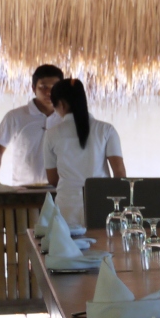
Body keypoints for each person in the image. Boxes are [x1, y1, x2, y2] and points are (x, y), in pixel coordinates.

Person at [43, 79, 126, 227]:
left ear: (61, 104)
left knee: (67, 242)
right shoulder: (106, 130)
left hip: (67, 207)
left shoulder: (51, 135)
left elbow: (53, 178)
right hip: (101, 204)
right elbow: (119, 173)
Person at [0, 64, 64, 185]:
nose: (49, 92)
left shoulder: (67, 119)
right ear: (33, 88)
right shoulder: (15, 117)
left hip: (61, 189)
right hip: (24, 190)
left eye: (54, 87)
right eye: (43, 87)